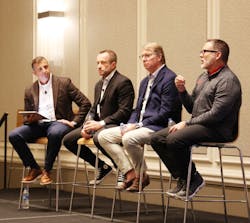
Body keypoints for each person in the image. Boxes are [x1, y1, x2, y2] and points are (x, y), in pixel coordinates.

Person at [151, 39, 242, 199]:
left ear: (218, 55)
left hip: (218, 129)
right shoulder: (203, 77)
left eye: (205, 51)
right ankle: (186, 177)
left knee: (174, 139)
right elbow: (193, 108)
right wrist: (182, 91)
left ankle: (191, 179)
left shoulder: (228, 81)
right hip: (202, 125)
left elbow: (216, 115)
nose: (201, 55)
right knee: (157, 138)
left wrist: (187, 123)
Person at [98, 42, 182, 192]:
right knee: (103, 136)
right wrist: (128, 125)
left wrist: (137, 126)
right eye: (142, 56)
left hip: (159, 126)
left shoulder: (169, 78)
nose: (144, 59)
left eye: (147, 55)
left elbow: (166, 112)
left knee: (129, 139)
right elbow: (137, 109)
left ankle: (141, 175)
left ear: (159, 57)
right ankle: (129, 172)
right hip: (140, 125)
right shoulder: (145, 81)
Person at [9, 56, 91, 185]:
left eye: (46, 67)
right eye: (40, 69)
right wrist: (30, 119)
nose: (44, 71)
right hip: (39, 124)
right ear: (35, 73)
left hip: (59, 123)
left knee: (54, 133)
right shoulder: (30, 90)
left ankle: (47, 171)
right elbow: (27, 115)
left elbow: (85, 103)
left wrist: (74, 122)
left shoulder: (64, 83)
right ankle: (34, 168)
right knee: (14, 135)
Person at [63, 49, 135, 185]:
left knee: (99, 137)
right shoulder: (99, 84)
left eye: (103, 63)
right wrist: (87, 125)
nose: (99, 66)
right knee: (68, 140)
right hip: (98, 125)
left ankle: (122, 168)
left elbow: (124, 112)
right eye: (97, 63)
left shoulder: (123, 82)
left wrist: (101, 123)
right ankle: (101, 166)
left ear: (113, 64)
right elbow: (93, 108)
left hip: (115, 125)